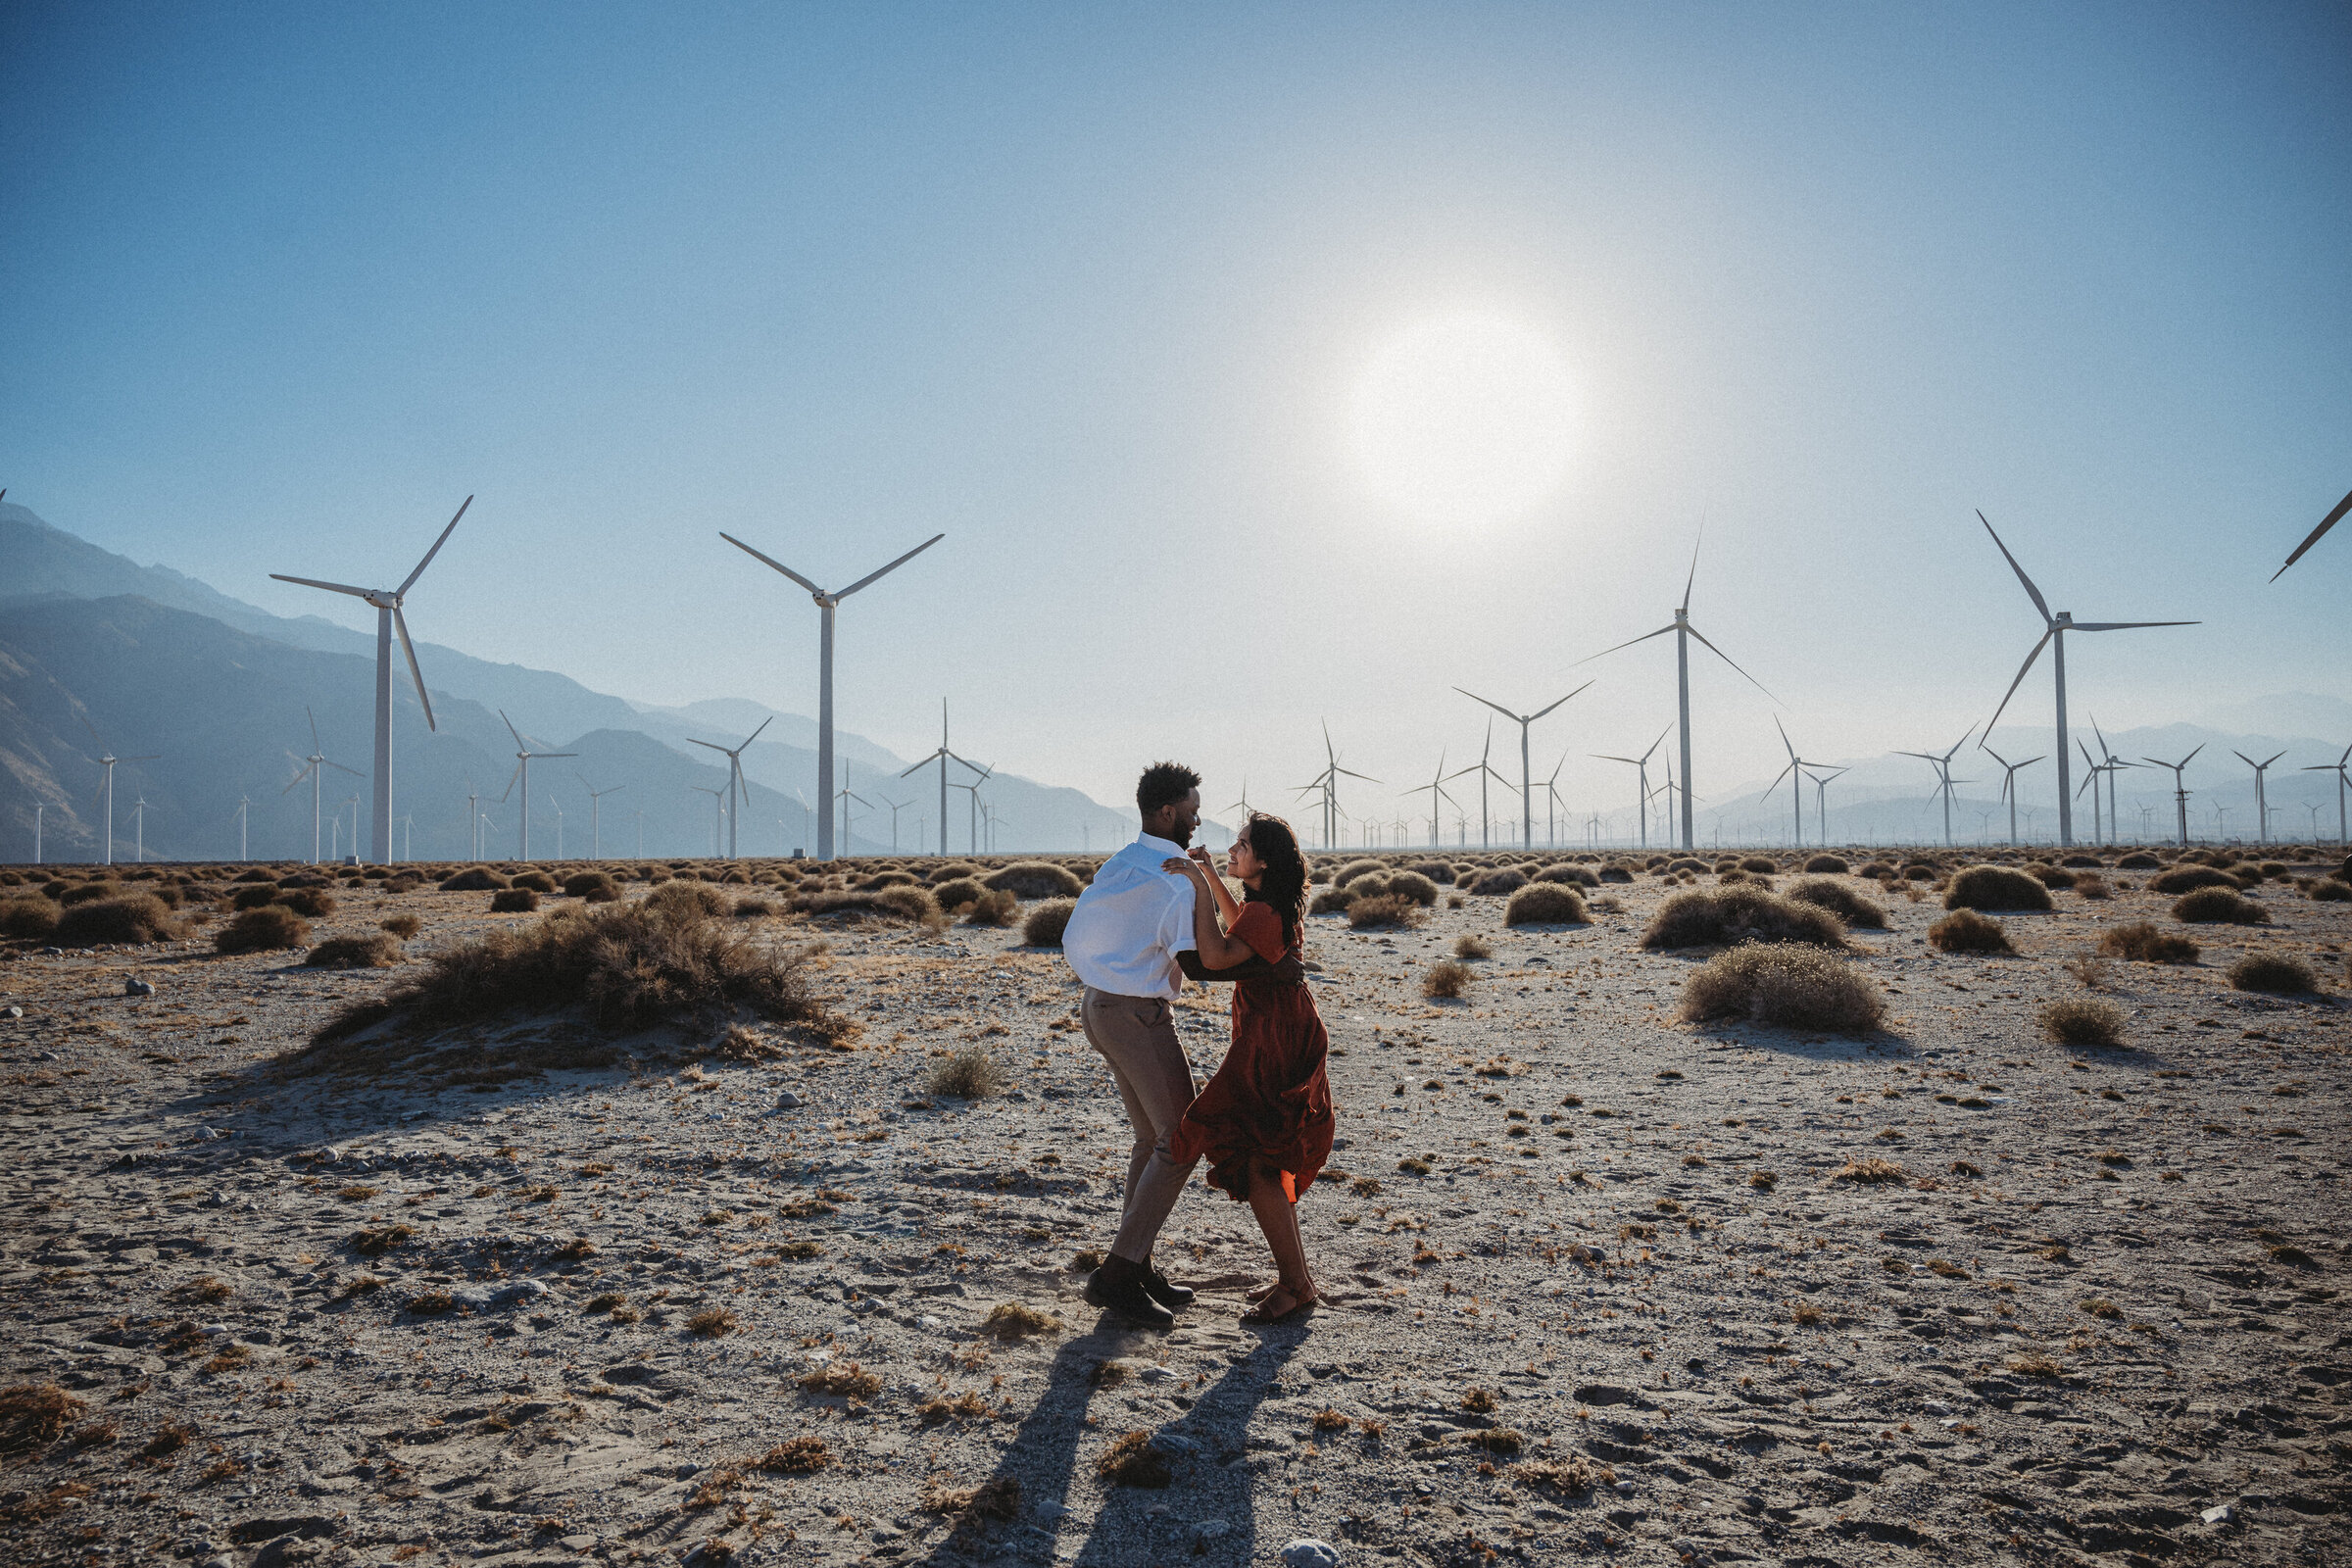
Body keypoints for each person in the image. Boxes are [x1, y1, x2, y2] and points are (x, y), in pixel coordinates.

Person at [1061, 761, 1298, 1329]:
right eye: (1192, 812)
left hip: (1099, 1005)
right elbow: (1204, 965)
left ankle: (1136, 1264)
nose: (1197, 823)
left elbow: (1075, 933)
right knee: (1182, 1140)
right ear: (1168, 812)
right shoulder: (1170, 879)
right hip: (1136, 1016)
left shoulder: (1122, 862)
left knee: (1152, 1138)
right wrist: (1275, 969)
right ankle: (1117, 1274)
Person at [1161, 812, 1333, 1324]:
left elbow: (1214, 957)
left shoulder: (1264, 913)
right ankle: (1295, 1277)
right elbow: (1243, 921)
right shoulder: (1269, 906)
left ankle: (1296, 1284)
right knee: (1269, 1154)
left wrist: (1194, 886)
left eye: (1241, 845)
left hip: (1272, 1041)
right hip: (1284, 1029)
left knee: (1259, 1159)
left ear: (1262, 860)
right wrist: (1212, 873)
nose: (1233, 849)